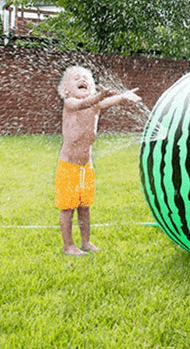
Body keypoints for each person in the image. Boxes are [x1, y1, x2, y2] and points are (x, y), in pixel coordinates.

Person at [55, 66, 141, 256]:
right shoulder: (70, 102)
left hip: (86, 166)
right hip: (68, 166)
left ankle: (85, 242)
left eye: (86, 77)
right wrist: (100, 96)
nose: (82, 79)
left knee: (84, 207)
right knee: (68, 208)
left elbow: (108, 101)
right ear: (66, 89)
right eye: (76, 78)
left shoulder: (95, 103)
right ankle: (68, 246)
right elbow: (82, 105)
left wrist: (123, 96)